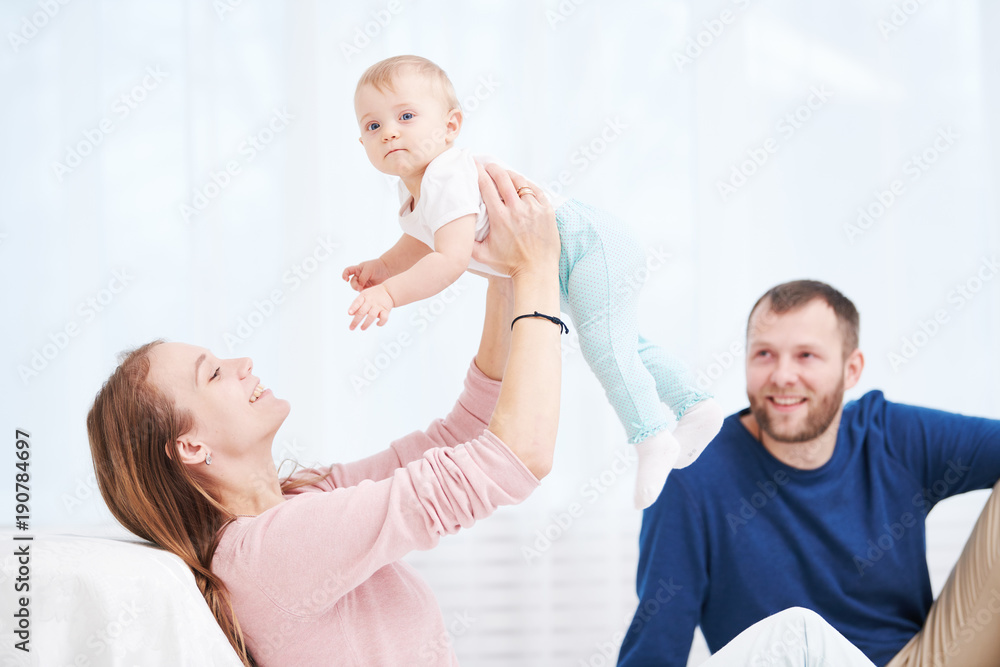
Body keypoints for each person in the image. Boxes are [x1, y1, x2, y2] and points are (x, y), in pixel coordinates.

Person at [87, 165, 564, 666]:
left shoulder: (304, 499)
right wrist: (537, 270)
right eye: (213, 374)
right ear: (190, 446)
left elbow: (464, 434)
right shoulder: (271, 553)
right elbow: (515, 457)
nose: (242, 363)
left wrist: (505, 279)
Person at [343, 54, 723, 509]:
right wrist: (383, 267)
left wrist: (390, 292)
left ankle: (650, 436)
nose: (389, 131)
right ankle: (695, 405)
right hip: (575, 256)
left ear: (450, 126)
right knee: (624, 343)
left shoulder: (446, 174)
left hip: (588, 245)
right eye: (372, 126)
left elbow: (449, 257)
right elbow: (421, 241)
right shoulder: (414, 190)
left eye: (405, 116)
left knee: (605, 348)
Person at [617, 280, 1000, 667]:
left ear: (851, 370)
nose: (783, 376)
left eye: (806, 356)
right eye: (764, 354)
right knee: (799, 632)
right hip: (793, 659)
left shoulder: (892, 435)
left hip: (917, 660)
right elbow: (656, 647)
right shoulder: (691, 473)